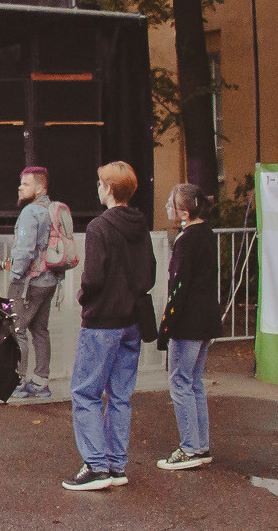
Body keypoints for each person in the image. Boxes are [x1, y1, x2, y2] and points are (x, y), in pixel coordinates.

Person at [65, 162, 153, 492]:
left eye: (101, 183)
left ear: (110, 190)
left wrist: (84, 295)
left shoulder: (99, 228)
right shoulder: (140, 225)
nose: (98, 188)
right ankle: (116, 464)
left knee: (85, 392)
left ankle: (96, 466)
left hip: (102, 321)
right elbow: (150, 274)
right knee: (120, 395)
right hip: (132, 320)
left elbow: (93, 277)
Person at [156, 183, 220, 472]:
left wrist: (167, 324)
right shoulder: (206, 234)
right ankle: (200, 444)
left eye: (171, 204)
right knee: (194, 383)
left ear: (183, 211)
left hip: (188, 323)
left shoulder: (186, 240)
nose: (167, 208)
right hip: (206, 320)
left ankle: (190, 448)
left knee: (180, 383)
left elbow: (178, 286)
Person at [5, 165, 67, 402]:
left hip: (29, 282)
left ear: (40, 188)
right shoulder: (51, 209)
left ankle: (17, 382)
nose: (21, 187)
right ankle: (41, 382)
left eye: (27, 184)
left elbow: (24, 250)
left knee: (16, 329)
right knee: (40, 330)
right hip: (49, 280)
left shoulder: (31, 212)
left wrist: (14, 278)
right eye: (21, 183)